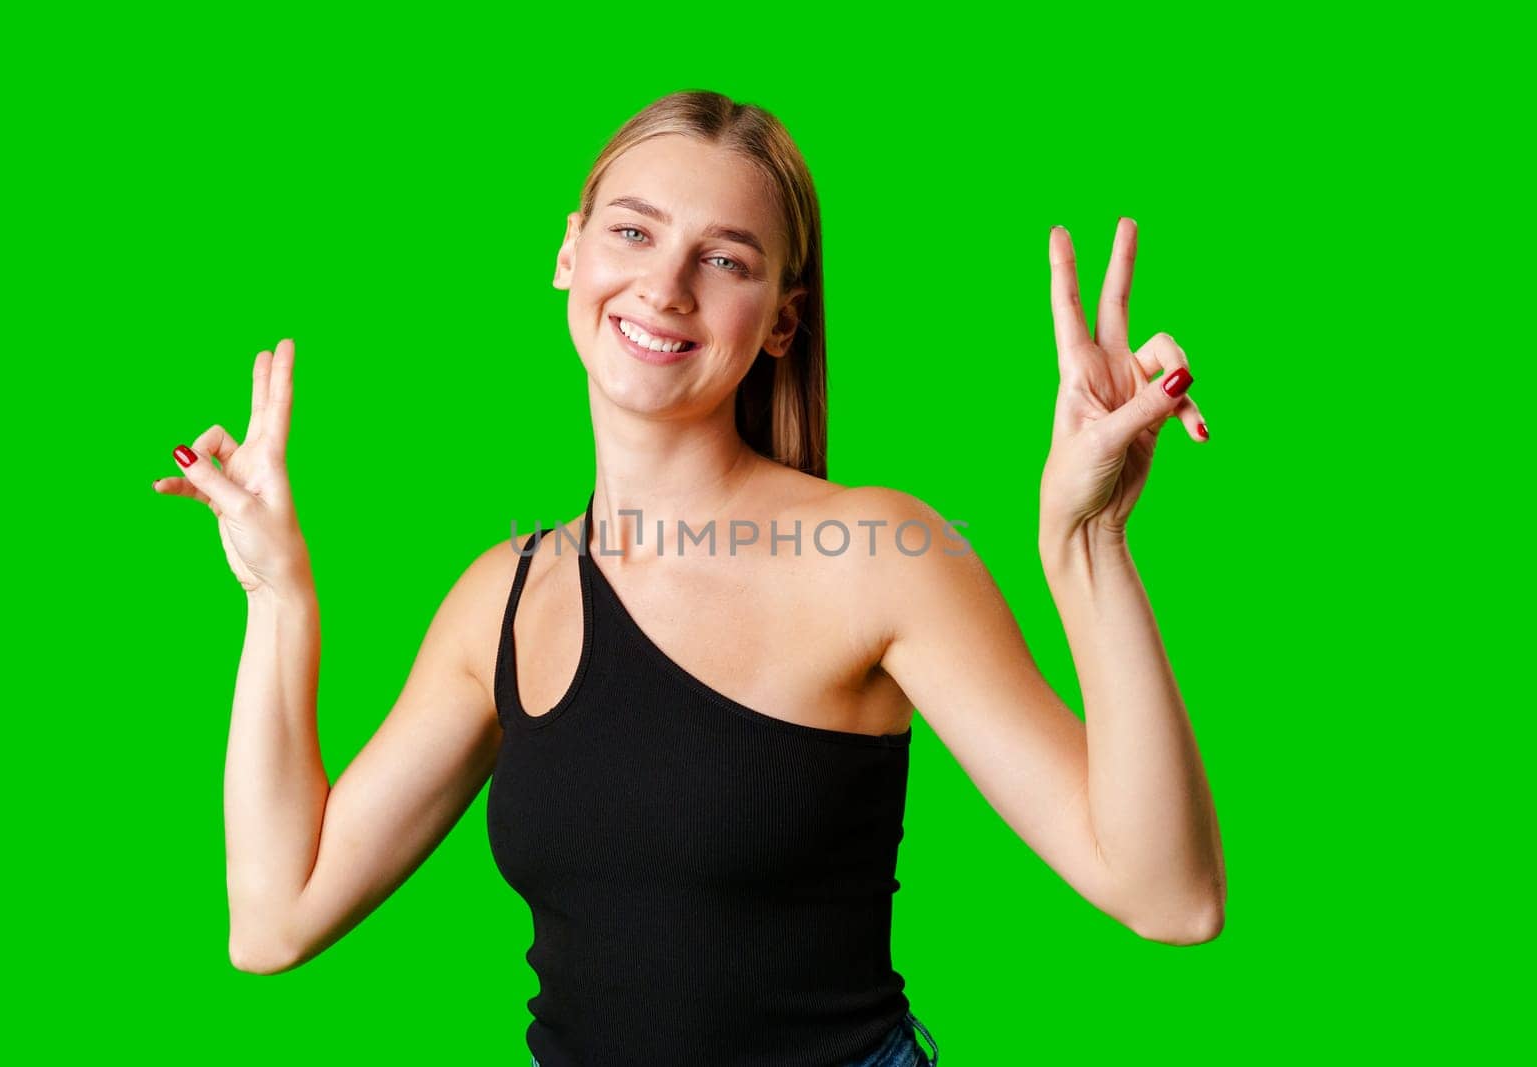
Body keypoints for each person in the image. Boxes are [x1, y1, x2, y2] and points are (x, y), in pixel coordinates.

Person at [155, 89, 1225, 1067]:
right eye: (632, 231)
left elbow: (1166, 894)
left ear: (780, 320)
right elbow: (274, 916)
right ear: (569, 255)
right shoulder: (504, 599)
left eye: (725, 259)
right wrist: (274, 595)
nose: (663, 286)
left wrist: (1088, 546)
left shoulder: (875, 556)